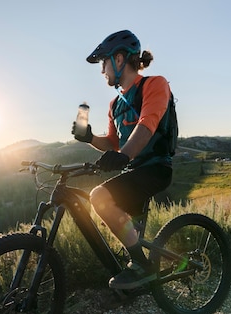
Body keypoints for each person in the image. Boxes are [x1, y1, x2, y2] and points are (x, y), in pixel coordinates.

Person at [72, 29, 174, 290]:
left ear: (119, 59)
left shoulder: (154, 84)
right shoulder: (114, 105)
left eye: (103, 62)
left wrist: (123, 156)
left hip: (155, 168)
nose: (102, 70)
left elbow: (146, 124)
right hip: (133, 170)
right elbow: (113, 143)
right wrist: (91, 138)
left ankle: (143, 267)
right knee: (131, 233)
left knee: (99, 197)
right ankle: (138, 275)